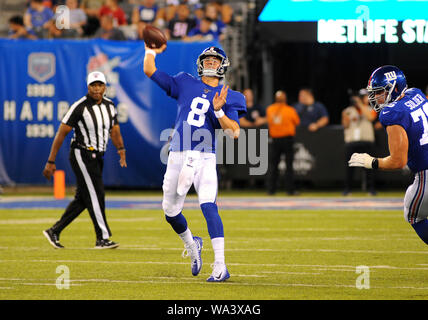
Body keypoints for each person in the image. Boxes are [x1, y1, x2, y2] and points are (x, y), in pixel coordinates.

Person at [143, 45, 246, 281]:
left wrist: (219, 112)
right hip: (177, 153)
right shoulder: (184, 81)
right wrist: (150, 48)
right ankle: (192, 244)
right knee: (169, 211)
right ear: (200, 63)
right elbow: (150, 69)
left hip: (204, 155)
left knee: (208, 204)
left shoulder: (230, 95)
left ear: (223, 65)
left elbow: (235, 133)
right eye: (207, 59)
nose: (210, 62)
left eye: (215, 59)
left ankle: (220, 265)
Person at [42, 71, 127, 249]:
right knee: (96, 194)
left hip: (98, 156)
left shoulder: (110, 106)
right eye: (93, 85)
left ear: (105, 87)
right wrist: (51, 161)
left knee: (84, 198)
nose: (96, 89)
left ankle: (54, 231)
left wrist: (121, 149)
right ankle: (102, 237)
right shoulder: (79, 106)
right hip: (82, 153)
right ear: (88, 87)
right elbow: (61, 133)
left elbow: (115, 130)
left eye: (100, 85)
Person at [349, 65, 428, 246]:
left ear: (395, 87)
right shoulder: (416, 94)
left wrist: (372, 162)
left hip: (426, 174)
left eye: (380, 92)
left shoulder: (392, 112)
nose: (375, 97)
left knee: (413, 214)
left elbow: (398, 160)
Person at [342, 89, 377, 196]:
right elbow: (345, 125)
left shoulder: (370, 109)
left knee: (369, 167)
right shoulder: (347, 110)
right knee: (350, 167)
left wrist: (360, 105)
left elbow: (370, 117)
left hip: (367, 141)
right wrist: (347, 115)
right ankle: (348, 189)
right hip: (352, 142)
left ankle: (371, 189)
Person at [265, 90, 300, 195]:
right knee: (288, 165)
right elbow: (297, 122)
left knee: (274, 165)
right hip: (286, 139)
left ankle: (271, 190)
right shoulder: (290, 110)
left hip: (276, 139)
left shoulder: (270, 109)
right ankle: (289, 190)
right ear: (285, 99)